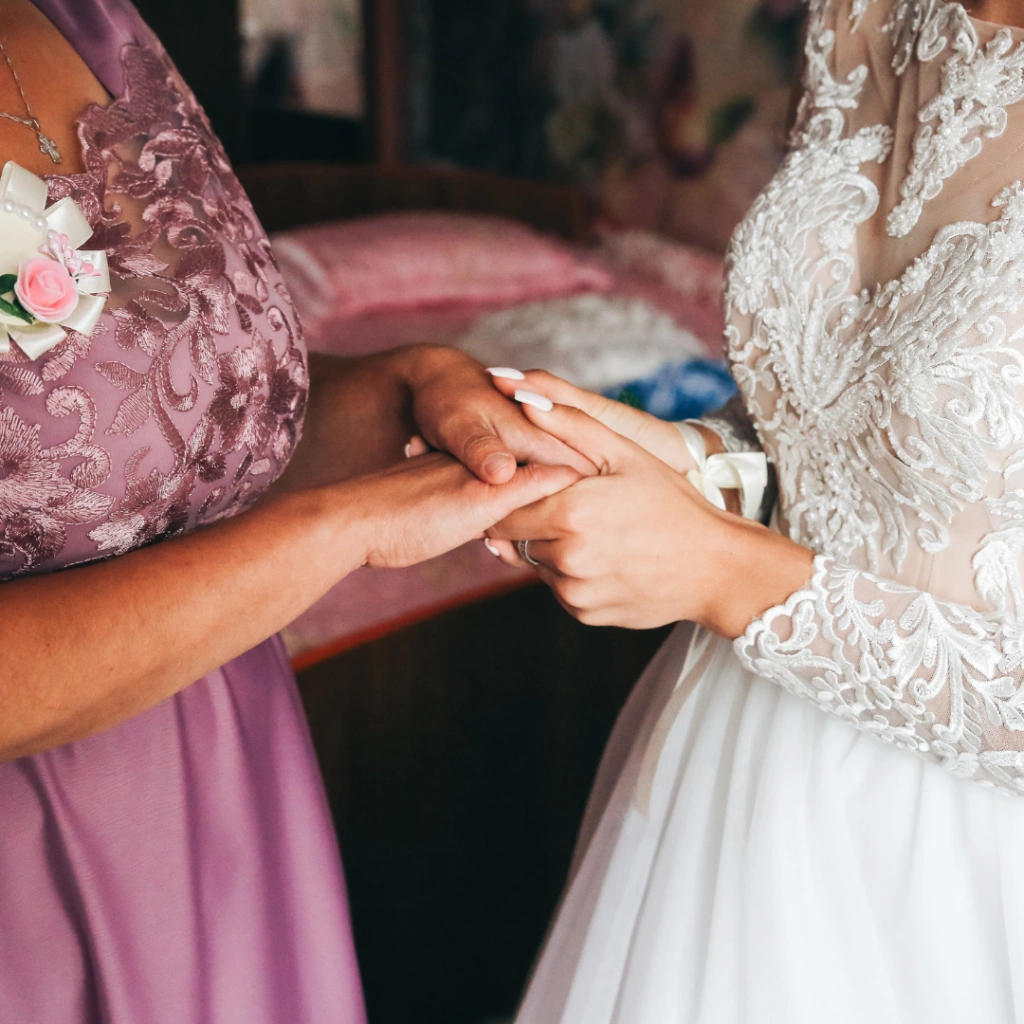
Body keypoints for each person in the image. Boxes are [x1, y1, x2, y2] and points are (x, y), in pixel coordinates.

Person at [0, 2, 591, 1021]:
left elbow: (155, 435)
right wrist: (342, 531)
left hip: (228, 796)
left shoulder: (88, 22)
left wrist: (404, 388)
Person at [482, 1, 1024, 1021]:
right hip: (732, 772)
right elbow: (844, 431)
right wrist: (681, 457)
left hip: (967, 864)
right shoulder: (862, 16)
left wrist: (724, 572)